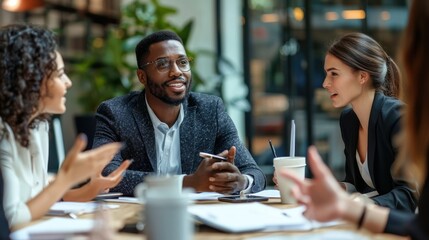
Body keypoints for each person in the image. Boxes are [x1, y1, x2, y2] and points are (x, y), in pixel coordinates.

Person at [279, 0, 429, 238]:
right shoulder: (349, 119)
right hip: (373, 228)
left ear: (362, 76)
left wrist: (357, 206)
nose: (325, 83)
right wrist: (330, 190)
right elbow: (357, 185)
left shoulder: (397, 117)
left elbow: (409, 195)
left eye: (334, 74)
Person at [93, 30, 266, 196]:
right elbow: (106, 174)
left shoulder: (210, 109)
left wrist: (240, 182)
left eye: (182, 62)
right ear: (142, 77)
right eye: (162, 64)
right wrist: (189, 183)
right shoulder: (115, 113)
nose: (176, 71)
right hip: (136, 217)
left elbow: (253, 172)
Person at [0, 24, 131, 228]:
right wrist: (66, 178)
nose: (68, 82)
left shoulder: (37, 125)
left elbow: (39, 198)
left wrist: (88, 189)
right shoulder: (3, 133)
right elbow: (9, 218)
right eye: (60, 75)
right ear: (32, 80)